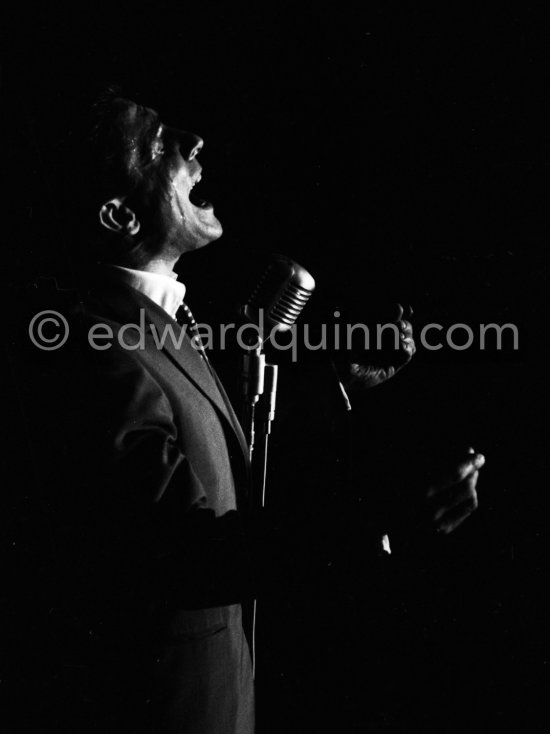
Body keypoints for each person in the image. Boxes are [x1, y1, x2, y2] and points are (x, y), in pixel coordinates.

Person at [25, 91, 485, 733]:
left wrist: (338, 387)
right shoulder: (90, 345)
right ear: (118, 215)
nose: (193, 144)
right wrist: (380, 518)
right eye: (158, 145)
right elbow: (180, 550)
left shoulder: (150, 324)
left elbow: (213, 448)